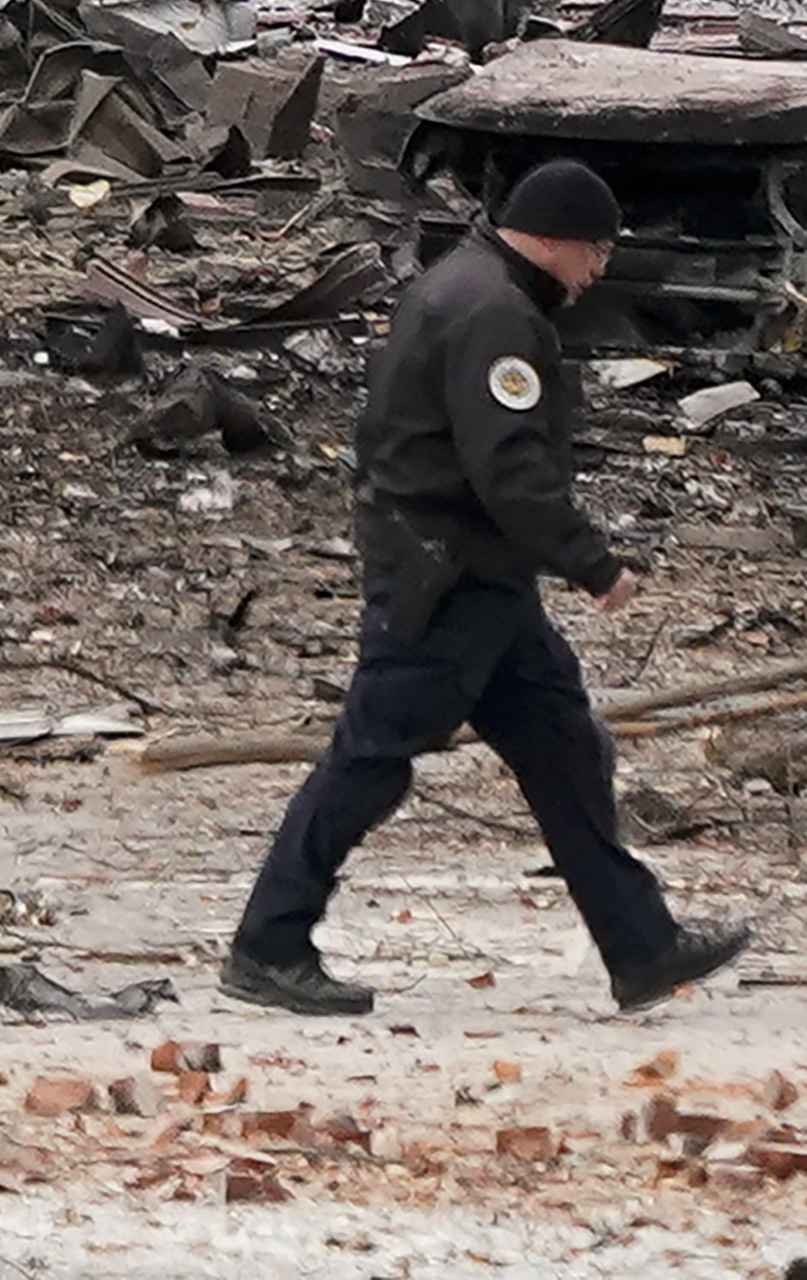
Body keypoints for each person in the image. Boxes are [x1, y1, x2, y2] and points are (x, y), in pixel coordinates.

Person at [221, 159, 752, 1016]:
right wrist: (590, 561)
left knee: (564, 750)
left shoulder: (467, 285)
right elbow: (505, 464)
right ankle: (267, 945)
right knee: (370, 761)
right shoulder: (495, 313)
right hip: (447, 578)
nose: (600, 267)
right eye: (594, 249)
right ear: (550, 238)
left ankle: (642, 947)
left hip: (480, 579)